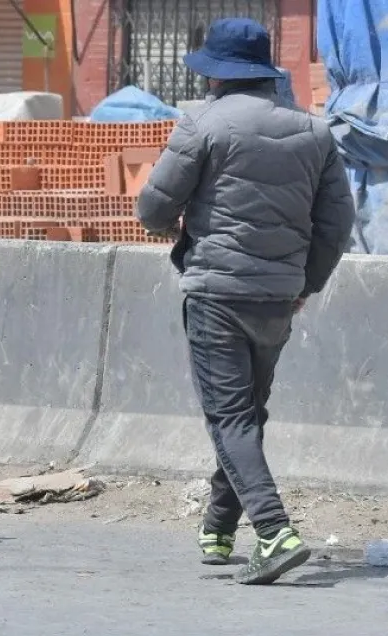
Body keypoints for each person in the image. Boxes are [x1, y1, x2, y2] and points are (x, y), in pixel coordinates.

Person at [136, 18, 354, 584]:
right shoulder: (316, 133)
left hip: (217, 292)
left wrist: (180, 227)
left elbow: (154, 210)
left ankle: (275, 531)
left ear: (216, 76)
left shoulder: (201, 125)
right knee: (246, 414)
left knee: (229, 417)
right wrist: (305, 283)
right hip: (279, 297)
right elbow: (336, 225)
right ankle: (219, 523)